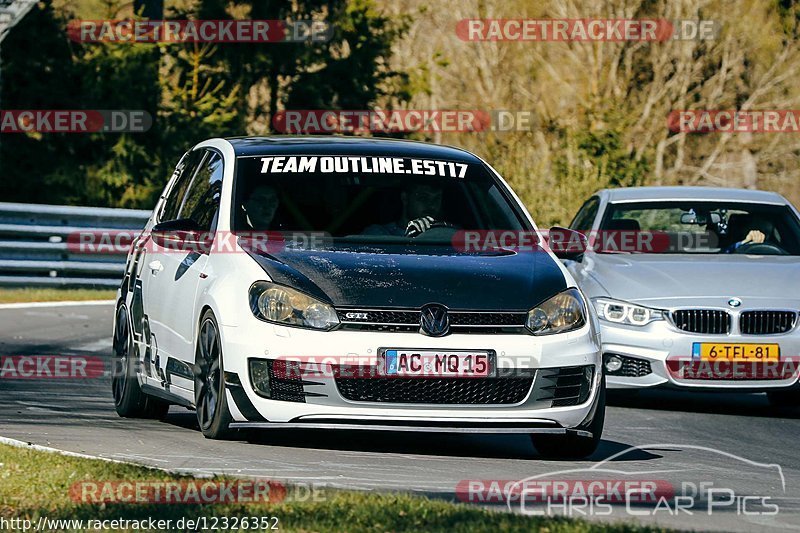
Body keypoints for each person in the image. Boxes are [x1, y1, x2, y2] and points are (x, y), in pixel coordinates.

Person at [363, 184, 445, 237]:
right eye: (423, 198)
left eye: (437, 199)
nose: (432, 205)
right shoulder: (378, 234)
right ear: (405, 198)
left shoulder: (446, 236)